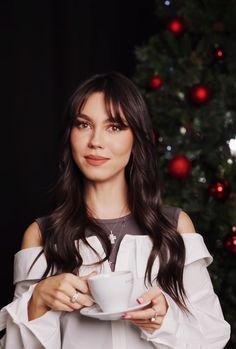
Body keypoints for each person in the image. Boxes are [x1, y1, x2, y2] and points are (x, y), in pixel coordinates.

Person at [0, 72, 230, 349]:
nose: (96, 140)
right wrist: (37, 301)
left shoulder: (175, 227)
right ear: (69, 135)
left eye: (115, 127)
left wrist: (164, 320)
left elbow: (212, 339)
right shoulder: (41, 235)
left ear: (137, 139)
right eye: (84, 124)